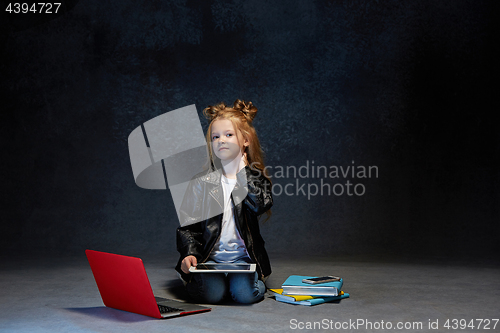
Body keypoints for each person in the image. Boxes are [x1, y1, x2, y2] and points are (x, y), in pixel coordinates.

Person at [175, 99, 273, 304]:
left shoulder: (255, 178)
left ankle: (251, 280)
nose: (221, 140)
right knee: (212, 295)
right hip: (210, 259)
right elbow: (187, 227)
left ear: (245, 140)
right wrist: (189, 253)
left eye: (229, 135)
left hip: (243, 260)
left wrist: (244, 172)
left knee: (244, 295)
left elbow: (258, 205)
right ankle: (203, 279)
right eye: (215, 137)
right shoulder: (201, 183)